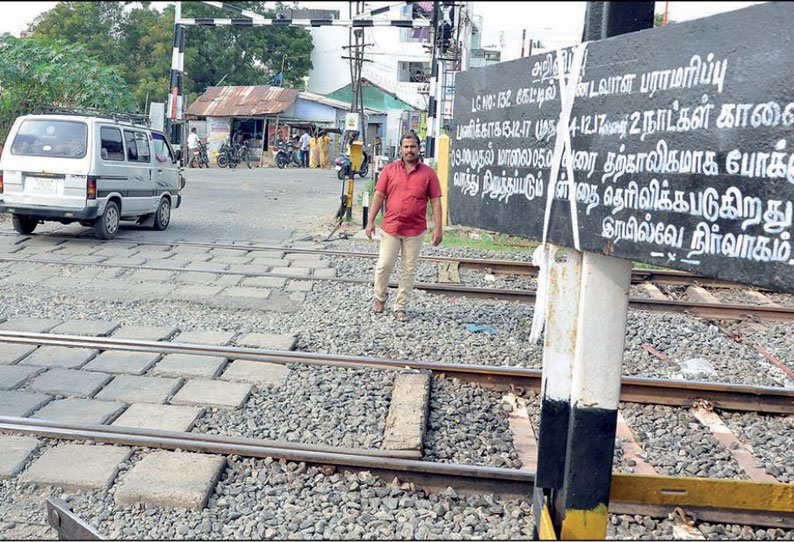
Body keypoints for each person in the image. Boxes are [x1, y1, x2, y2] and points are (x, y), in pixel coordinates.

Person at [365, 133, 442, 321]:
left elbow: (436, 201)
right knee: (384, 266)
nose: (409, 150)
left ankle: (400, 307)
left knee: (408, 270)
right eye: (406, 147)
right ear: (400, 149)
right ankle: (380, 298)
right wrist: (370, 221)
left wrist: (439, 228)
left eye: (413, 146)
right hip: (391, 228)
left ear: (419, 148)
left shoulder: (428, 174)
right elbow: (378, 196)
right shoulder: (390, 170)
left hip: (415, 230)